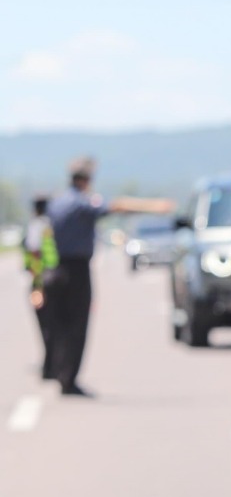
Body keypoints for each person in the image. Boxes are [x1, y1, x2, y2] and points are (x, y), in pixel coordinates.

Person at [45, 159, 173, 396]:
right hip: (77, 270)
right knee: (77, 326)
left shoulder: (58, 202)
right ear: (86, 181)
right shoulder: (81, 202)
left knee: (59, 325)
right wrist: (154, 207)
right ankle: (68, 379)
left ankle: (56, 370)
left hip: (56, 267)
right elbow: (117, 206)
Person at [23, 194, 58, 380]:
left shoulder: (37, 226)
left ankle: (50, 366)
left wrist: (37, 286)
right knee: (57, 324)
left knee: (46, 326)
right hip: (58, 280)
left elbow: (35, 255)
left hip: (42, 281)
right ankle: (54, 364)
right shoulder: (54, 224)